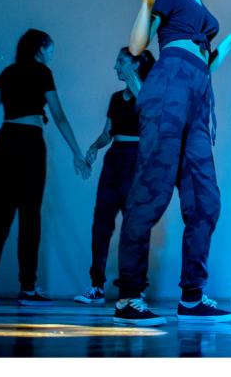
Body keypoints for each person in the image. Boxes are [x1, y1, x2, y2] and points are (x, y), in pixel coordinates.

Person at [114, 0, 231, 326]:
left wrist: (226, 44)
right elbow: (138, 46)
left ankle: (192, 297)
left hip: (197, 91)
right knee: (151, 191)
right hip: (169, 87)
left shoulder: (197, 1)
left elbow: (204, 64)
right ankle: (129, 297)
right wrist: (146, 3)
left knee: (205, 200)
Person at [0, 29, 91, 306]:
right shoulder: (42, 73)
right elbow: (59, 116)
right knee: (30, 216)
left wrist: (4, 140)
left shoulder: (7, 73)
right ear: (40, 49)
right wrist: (77, 152)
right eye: (50, 50)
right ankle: (28, 288)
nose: (51, 55)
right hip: (30, 144)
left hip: (4, 143)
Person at [73, 47, 156, 304]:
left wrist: (138, 87)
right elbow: (107, 133)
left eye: (121, 61)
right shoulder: (116, 98)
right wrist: (94, 147)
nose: (115, 66)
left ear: (135, 64)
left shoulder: (151, 94)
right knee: (101, 223)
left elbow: (154, 123)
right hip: (114, 161)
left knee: (135, 226)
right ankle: (96, 286)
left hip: (137, 161)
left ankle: (134, 287)